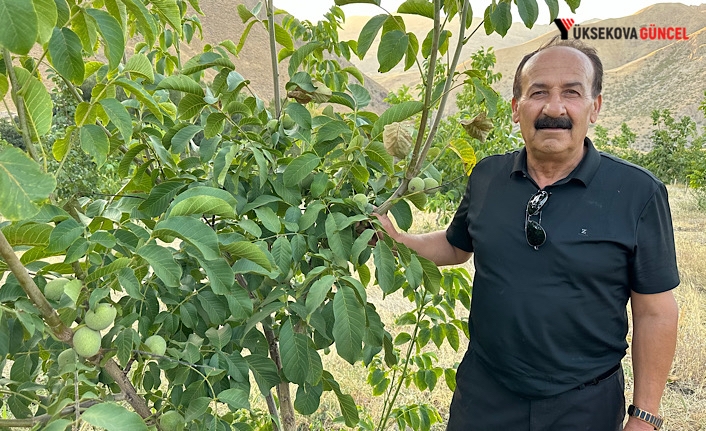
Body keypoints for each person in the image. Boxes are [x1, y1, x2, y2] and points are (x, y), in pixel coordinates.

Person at [373, 37, 679, 430]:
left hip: (584, 405)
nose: (554, 108)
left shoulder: (637, 192)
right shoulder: (487, 176)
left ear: (594, 107)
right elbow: (455, 245)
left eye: (571, 92)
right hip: (485, 397)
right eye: (538, 93)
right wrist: (399, 242)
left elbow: (655, 311)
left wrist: (645, 417)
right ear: (517, 109)